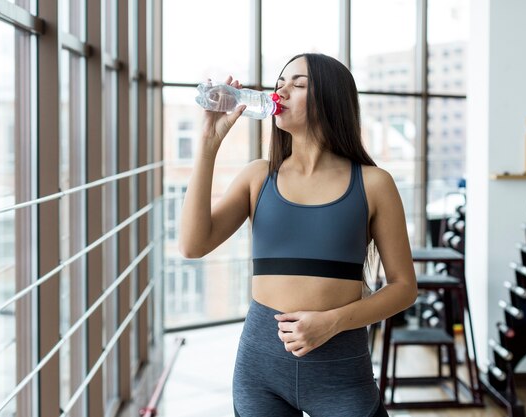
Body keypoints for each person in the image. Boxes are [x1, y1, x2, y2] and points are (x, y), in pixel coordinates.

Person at [178, 53, 417, 417]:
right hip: (260, 370)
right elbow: (192, 245)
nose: (281, 91)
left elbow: (404, 288)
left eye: (298, 84)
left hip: (341, 371)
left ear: (331, 100)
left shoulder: (374, 183)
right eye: (279, 84)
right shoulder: (257, 176)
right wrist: (208, 144)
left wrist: (332, 321)